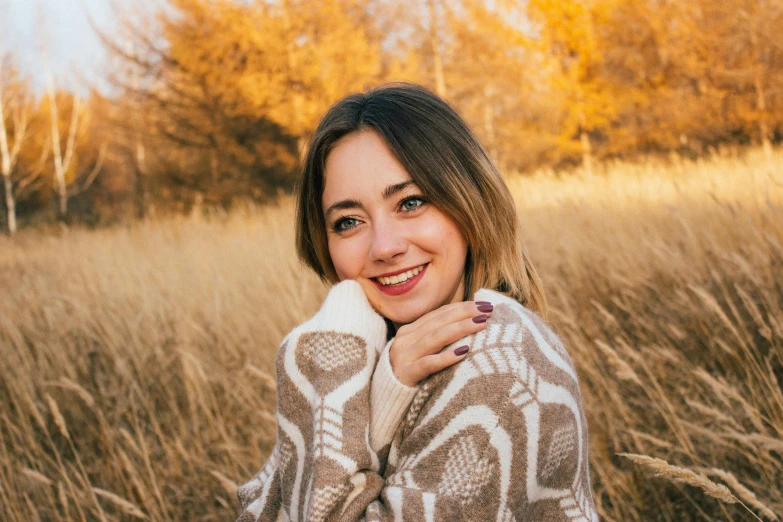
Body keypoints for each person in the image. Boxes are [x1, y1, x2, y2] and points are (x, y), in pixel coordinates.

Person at [236, 83, 598, 521]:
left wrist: (330, 365)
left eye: (411, 202)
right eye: (348, 222)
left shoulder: (498, 363)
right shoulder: (387, 353)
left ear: (470, 198)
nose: (384, 246)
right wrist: (385, 391)